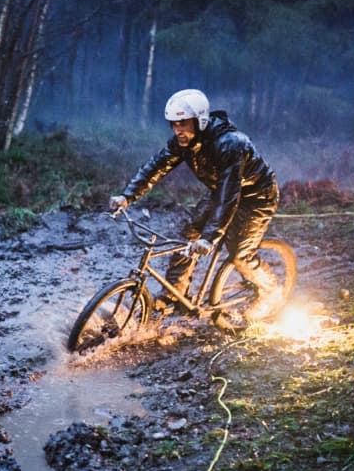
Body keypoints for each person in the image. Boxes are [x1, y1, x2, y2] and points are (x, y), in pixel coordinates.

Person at [109, 89, 282, 321]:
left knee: (240, 253)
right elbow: (156, 166)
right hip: (220, 191)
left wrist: (209, 238)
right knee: (187, 236)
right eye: (173, 124)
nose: (177, 129)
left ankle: (271, 292)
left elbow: (228, 196)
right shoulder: (183, 141)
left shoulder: (231, 144)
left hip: (256, 196)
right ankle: (174, 294)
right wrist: (127, 196)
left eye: (182, 123)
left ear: (199, 120)